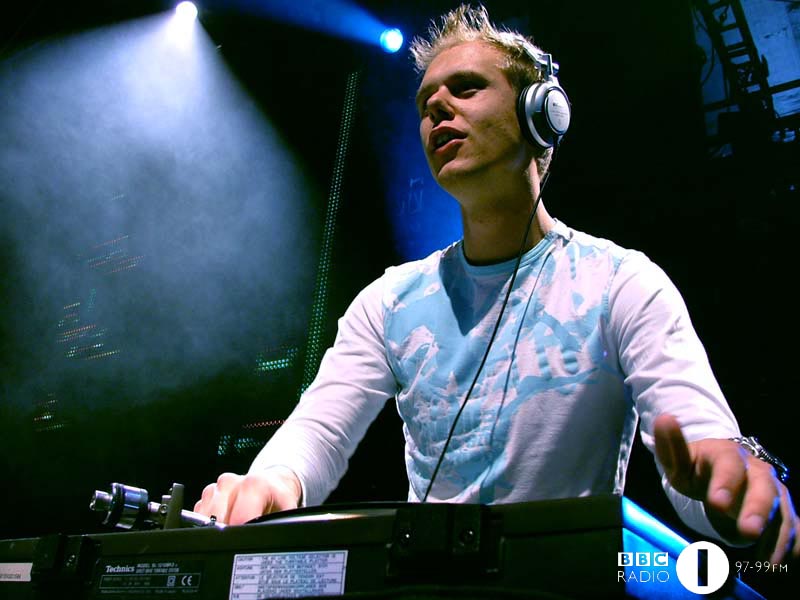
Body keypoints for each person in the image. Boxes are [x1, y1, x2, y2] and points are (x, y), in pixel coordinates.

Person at [195, 4, 798, 564]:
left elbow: (702, 454)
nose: (436, 108)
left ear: (542, 115)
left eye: (465, 88)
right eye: (426, 101)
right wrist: (269, 482)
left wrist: (732, 486)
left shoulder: (623, 282)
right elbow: (319, 433)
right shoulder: (388, 302)